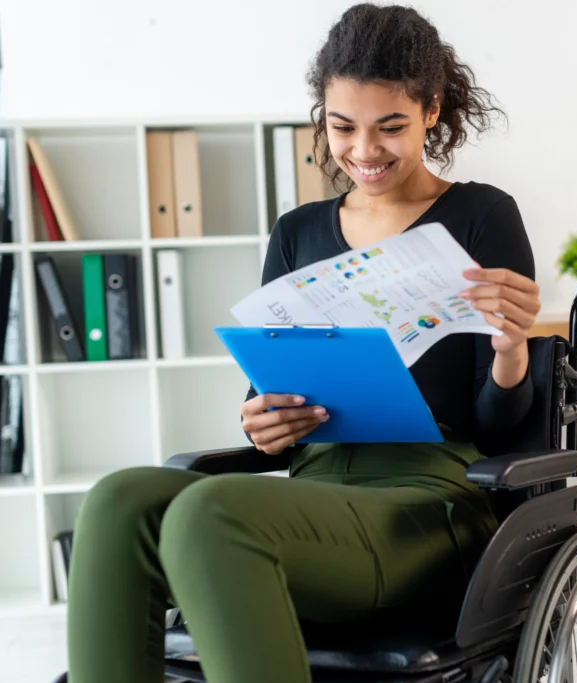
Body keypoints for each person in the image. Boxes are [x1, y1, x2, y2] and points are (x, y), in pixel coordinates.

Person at [64, 4, 540, 683]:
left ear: (432, 109)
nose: (363, 151)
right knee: (117, 500)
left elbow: (499, 427)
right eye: (343, 126)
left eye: (390, 127)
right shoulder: (298, 232)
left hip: (428, 503)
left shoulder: (482, 215)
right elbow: (270, 394)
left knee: (211, 510)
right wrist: (264, 421)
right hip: (311, 492)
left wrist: (510, 348)